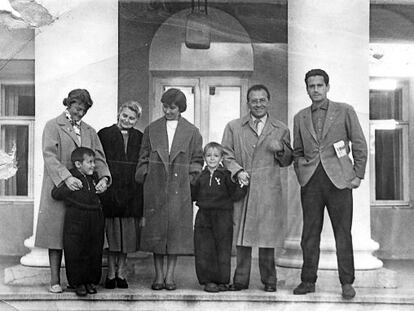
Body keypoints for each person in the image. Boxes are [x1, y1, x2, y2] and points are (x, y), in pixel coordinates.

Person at [292, 69, 367, 299]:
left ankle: (346, 282)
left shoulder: (344, 111)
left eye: (319, 85)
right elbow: (297, 151)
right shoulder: (300, 117)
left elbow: (359, 143)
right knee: (309, 234)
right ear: (306, 89)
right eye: (311, 86)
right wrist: (302, 171)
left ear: (327, 87)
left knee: (343, 233)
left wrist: (357, 175)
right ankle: (307, 281)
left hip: (339, 181)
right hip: (312, 181)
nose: (315, 89)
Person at [35, 89, 111, 293]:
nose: (80, 113)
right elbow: (49, 155)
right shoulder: (53, 125)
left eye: (84, 110)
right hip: (59, 187)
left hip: (82, 194)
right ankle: (54, 280)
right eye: (77, 108)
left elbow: (100, 158)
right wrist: (66, 177)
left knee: (79, 238)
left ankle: (79, 280)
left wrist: (104, 178)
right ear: (69, 104)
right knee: (56, 234)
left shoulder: (90, 131)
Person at [221, 84, 293, 292]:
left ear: (268, 101)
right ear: (248, 103)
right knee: (242, 237)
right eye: (254, 100)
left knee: (267, 237)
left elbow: (288, 160)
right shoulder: (234, 126)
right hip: (243, 187)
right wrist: (237, 171)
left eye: (262, 100)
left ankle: (269, 280)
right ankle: (240, 280)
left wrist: (280, 150)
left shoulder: (281, 128)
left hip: (269, 189)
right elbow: (226, 154)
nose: (258, 104)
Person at [135, 88, 203, 291]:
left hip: (179, 190)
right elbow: (143, 156)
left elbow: (197, 159)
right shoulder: (152, 129)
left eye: (172, 107)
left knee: (174, 234)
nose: (168, 111)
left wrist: (189, 180)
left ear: (180, 108)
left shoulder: (192, 131)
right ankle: (158, 276)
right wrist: (146, 175)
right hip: (155, 187)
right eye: (165, 106)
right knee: (156, 232)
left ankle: (170, 277)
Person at [98, 101, 144, 289]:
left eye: (132, 118)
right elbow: (100, 160)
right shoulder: (104, 134)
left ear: (136, 120)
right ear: (119, 114)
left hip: (131, 192)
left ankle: (121, 273)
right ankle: (110, 273)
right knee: (113, 236)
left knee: (126, 237)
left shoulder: (140, 137)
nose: (127, 120)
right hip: (111, 190)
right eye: (124, 115)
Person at [191, 142, 247, 293]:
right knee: (204, 249)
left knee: (222, 248)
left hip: (223, 216)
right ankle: (208, 281)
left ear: (221, 158)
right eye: (208, 156)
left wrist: (243, 185)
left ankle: (222, 280)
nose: (212, 159)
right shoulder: (200, 177)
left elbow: (235, 194)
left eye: (216, 156)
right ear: (204, 158)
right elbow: (193, 194)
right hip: (203, 216)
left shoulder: (226, 175)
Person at [51, 147, 105, 297]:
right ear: (78, 164)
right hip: (76, 219)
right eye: (90, 162)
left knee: (93, 250)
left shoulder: (94, 177)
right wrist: (69, 187)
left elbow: (102, 196)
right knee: (76, 250)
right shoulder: (71, 177)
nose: (93, 165)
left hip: (95, 218)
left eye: (94, 162)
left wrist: (103, 186)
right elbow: (55, 194)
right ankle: (78, 283)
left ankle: (90, 282)